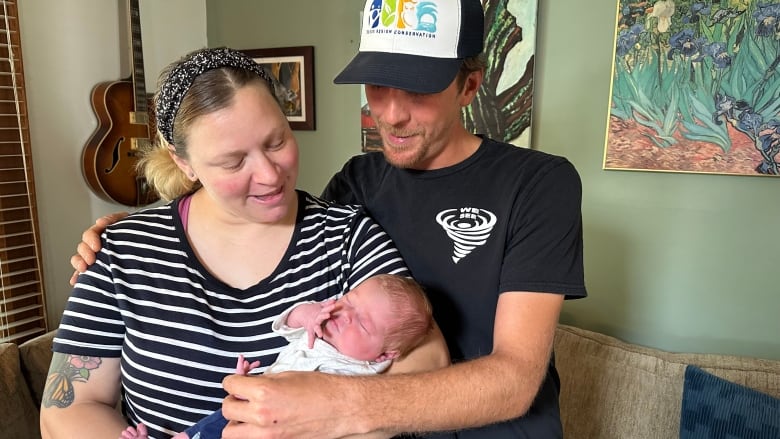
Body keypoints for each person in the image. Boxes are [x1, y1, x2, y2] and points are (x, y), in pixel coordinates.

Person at [71, 0, 588, 437]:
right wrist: (137, 230)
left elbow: (514, 379)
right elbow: (266, 218)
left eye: (420, 90)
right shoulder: (358, 183)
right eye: (379, 86)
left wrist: (333, 406)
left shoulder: (538, 183)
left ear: (471, 85)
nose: (390, 113)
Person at [43, 47, 448, 439]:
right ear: (183, 161)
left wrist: (332, 412)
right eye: (234, 162)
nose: (270, 175)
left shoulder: (347, 237)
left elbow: (427, 360)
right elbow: (68, 407)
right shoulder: (120, 252)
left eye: (276, 142)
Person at [121, 273, 434, 439]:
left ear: (385, 354)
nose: (346, 313)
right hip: (250, 405)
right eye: (349, 299)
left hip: (281, 428)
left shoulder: (366, 374)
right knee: (206, 427)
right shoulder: (321, 325)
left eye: (363, 323)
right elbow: (286, 322)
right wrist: (307, 314)